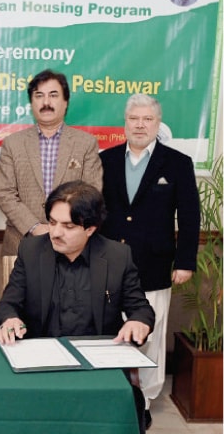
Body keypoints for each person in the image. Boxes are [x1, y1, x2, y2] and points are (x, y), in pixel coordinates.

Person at [0, 180, 155, 434]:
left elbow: (141, 309)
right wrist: (9, 319)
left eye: (68, 226)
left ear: (90, 229)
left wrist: (138, 322)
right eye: (52, 222)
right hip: (40, 363)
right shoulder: (31, 250)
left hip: (96, 366)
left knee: (126, 404)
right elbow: (8, 303)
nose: (55, 232)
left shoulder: (117, 256)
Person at [99, 94, 199, 430]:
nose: (140, 125)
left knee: (150, 336)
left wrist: (185, 262)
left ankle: (145, 400)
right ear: (124, 122)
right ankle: (115, 394)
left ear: (158, 123)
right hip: (109, 264)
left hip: (155, 266)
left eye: (148, 119)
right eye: (134, 118)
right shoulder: (106, 160)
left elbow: (189, 217)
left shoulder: (177, 163)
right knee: (110, 332)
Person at [0, 69, 102, 256]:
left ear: (65, 102)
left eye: (53, 95)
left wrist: (61, 227)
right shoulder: (13, 143)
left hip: (71, 246)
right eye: (39, 96)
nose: (46, 103)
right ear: (31, 102)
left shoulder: (86, 144)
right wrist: (35, 227)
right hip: (21, 242)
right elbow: (5, 194)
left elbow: (91, 192)